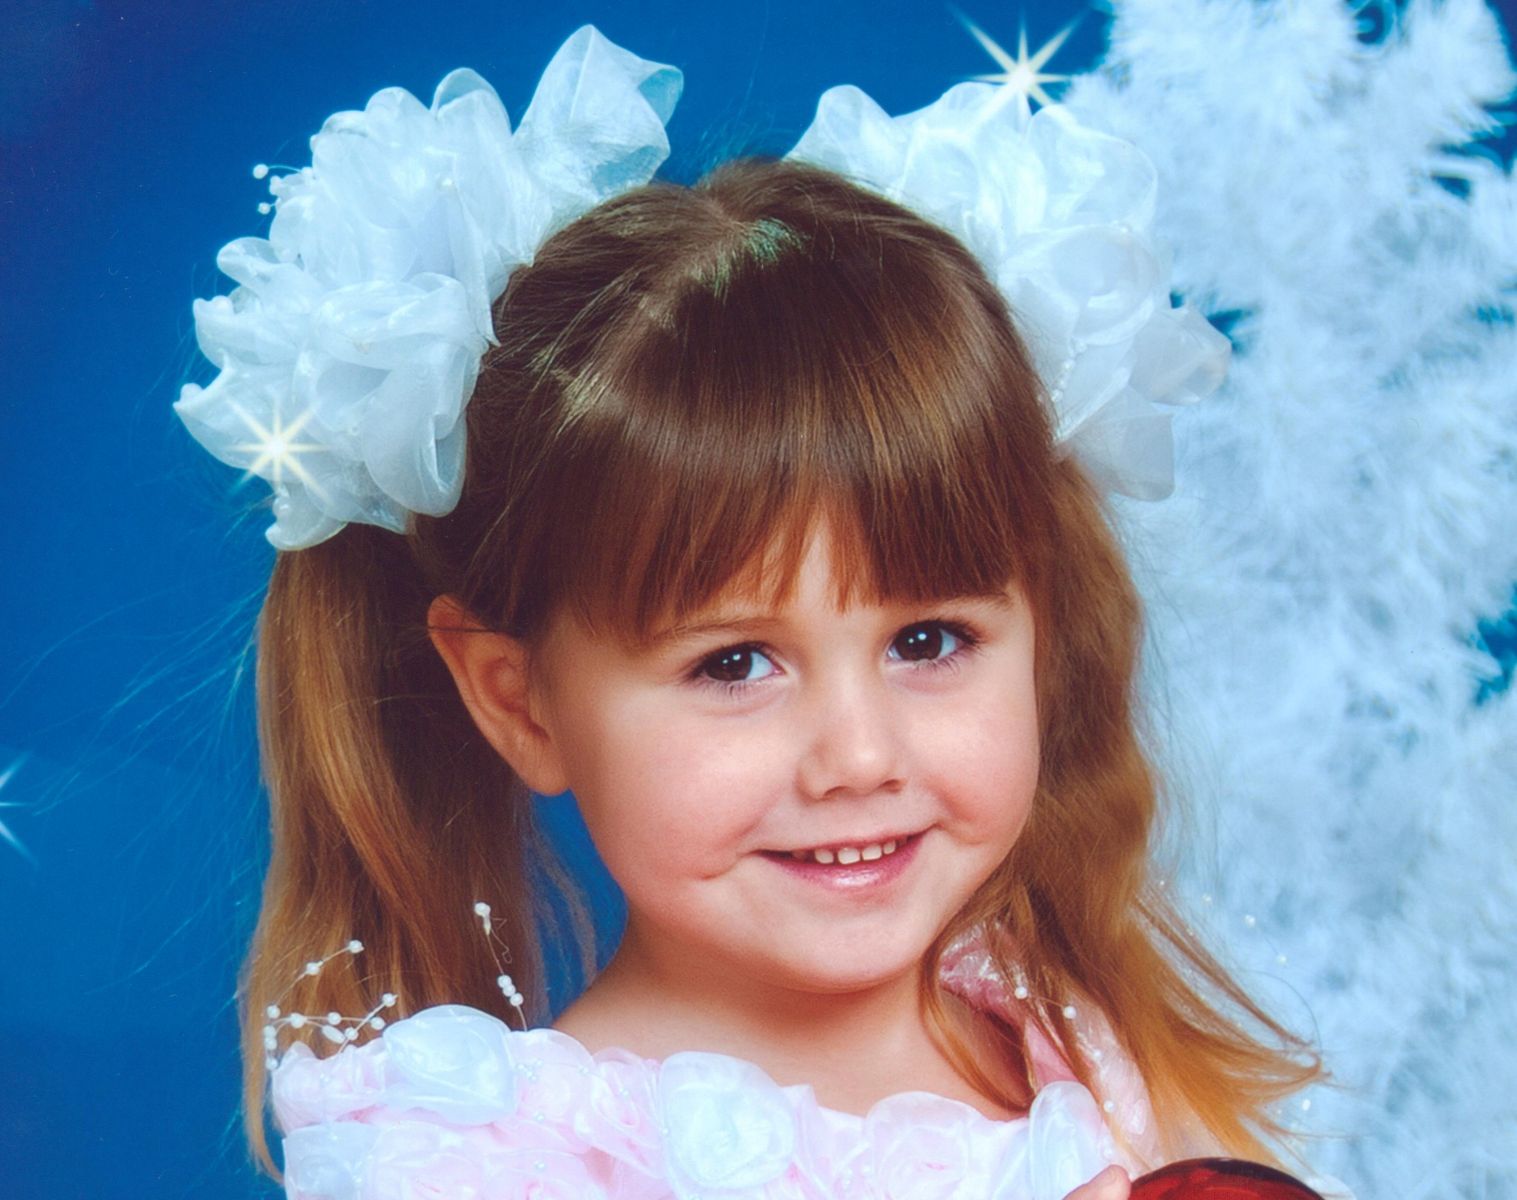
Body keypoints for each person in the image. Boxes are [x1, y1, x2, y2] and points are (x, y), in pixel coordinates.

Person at [176, 25, 1331, 1200]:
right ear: (519, 704)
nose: (859, 757)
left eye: (927, 640)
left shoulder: (1056, 1028)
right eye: (732, 664)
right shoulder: (496, 1170)